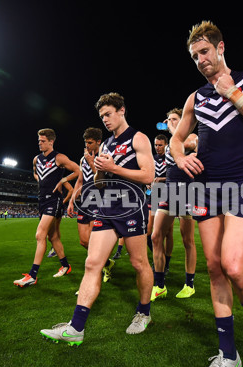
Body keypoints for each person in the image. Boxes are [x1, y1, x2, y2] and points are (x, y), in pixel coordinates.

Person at [170, 21, 243, 367]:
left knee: (235, 265)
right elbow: (176, 139)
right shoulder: (194, 98)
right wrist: (180, 157)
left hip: (242, 182)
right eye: (194, 56)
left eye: (204, 51)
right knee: (215, 269)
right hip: (204, 187)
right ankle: (227, 355)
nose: (200, 60)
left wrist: (233, 93)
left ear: (220, 48)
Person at [40, 92, 155, 345]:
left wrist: (113, 168)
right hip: (106, 207)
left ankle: (143, 313)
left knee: (139, 263)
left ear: (122, 110)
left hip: (131, 207)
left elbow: (148, 176)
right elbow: (100, 182)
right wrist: (97, 171)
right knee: (92, 263)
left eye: (108, 114)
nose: (105, 119)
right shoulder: (105, 145)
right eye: (102, 116)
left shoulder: (139, 138)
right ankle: (76, 327)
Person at [13, 128, 80, 287]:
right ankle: (65, 266)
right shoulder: (36, 159)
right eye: (39, 141)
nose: (40, 143)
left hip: (54, 201)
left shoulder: (59, 157)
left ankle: (32, 275)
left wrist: (63, 180)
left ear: (51, 141)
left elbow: (78, 170)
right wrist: (41, 180)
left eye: (43, 141)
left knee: (40, 235)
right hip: (42, 200)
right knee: (53, 237)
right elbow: (36, 173)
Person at [151, 108, 198, 300]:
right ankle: (159, 284)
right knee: (155, 236)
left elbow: (188, 143)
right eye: (168, 119)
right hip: (169, 191)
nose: (170, 122)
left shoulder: (192, 135)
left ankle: (189, 284)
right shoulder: (172, 140)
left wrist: (172, 129)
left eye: (174, 119)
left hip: (187, 191)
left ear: (183, 120)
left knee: (187, 240)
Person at [65, 127, 116, 282]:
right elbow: (80, 180)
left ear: (98, 142)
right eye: (85, 143)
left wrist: (92, 162)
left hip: (99, 200)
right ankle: (107, 262)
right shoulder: (83, 159)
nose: (87, 146)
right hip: (85, 201)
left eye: (90, 143)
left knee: (95, 242)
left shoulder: (105, 157)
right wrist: (72, 200)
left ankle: (96, 274)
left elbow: (103, 181)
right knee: (84, 241)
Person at [148, 133, 173, 269]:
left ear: (166, 145)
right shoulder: (153, 159)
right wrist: (148, 181)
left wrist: (160, 179)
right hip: (154, 195)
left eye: (160, 145)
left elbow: (174, 175)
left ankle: (166, 262)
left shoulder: (170, 157)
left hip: (168, 193)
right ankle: (159, 256)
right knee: (149, 231)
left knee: (168, 231)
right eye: (156, 145)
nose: (157, 147)